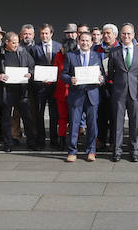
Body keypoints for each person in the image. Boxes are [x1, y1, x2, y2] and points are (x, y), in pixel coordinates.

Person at [61, 30, 105, 162]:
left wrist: (101, 79)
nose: (85, 42)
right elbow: (63, 75)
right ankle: (72, 151)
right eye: (82, 40)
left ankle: (91, 150)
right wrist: (70, 79)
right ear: (78, 42)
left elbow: (102, 74)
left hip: (92, 94)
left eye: (87, 40)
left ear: (92, 43)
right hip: (76, 94)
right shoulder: (70, 56)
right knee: (74, 124)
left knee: (92, 124)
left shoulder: (97, 56)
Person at [106, 23, 138, 162]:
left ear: (133, 35)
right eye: (124, 33)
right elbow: (110, 74)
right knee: (117, 123)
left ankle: (135, 151)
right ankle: (117, 151)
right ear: (120, 35)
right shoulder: (114, 51)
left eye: (129, 33)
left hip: (136, 92)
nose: (126, 36)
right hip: (119, 93)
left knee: (135, 123)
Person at [0, 31, 36, 152]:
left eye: (17, 42)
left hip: (22, 90)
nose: (16, 45)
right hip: (6, 91)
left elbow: (32, 66)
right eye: (13, 43)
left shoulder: (23, 52)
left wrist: (30, 74)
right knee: (6, 118)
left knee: (27, 117)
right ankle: (8, 143)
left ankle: (31, 142)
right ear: (6, 42)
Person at [31, 23, 61, 150]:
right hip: (40, 86)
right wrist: (37, 76)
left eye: (46, 33)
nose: (44, 35)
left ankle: (54, 139)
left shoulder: (59, 47)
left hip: (55, 86)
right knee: (39, 113)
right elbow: (31, 66)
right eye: (42, 33)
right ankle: (40, 139)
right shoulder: (34, 48)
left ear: (51, 34)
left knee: (54, 114)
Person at [52, 23, 78, 151]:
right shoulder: (58, 56)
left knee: (74, 117)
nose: (62, 49)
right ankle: (61, 139)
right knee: (62, 117)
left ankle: (74, 140)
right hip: (61, 92)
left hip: (74, 92)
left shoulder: (76, 57)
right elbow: (55, 72)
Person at [95, 23, 120, 151]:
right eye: (104, 33)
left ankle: (113, 141)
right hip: (100, 87)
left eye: (108, 33)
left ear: (115, 35)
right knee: (101, 115)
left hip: (116, 87)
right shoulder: (96, 49)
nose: (105, 36)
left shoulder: (120, 49)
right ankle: (101, 139)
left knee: (115, 116)